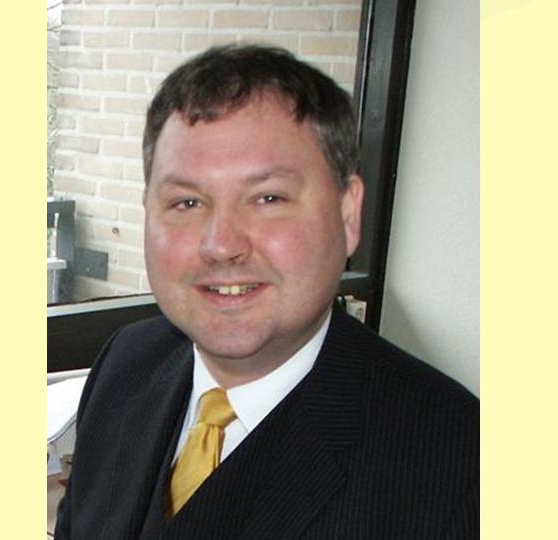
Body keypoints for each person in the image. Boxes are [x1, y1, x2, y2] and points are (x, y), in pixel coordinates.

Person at [55, 44, 478, 539]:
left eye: (268, 198)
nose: (221, 245)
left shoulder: (461, 468)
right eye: (187, 202)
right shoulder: (126, 364)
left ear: (348, 215)